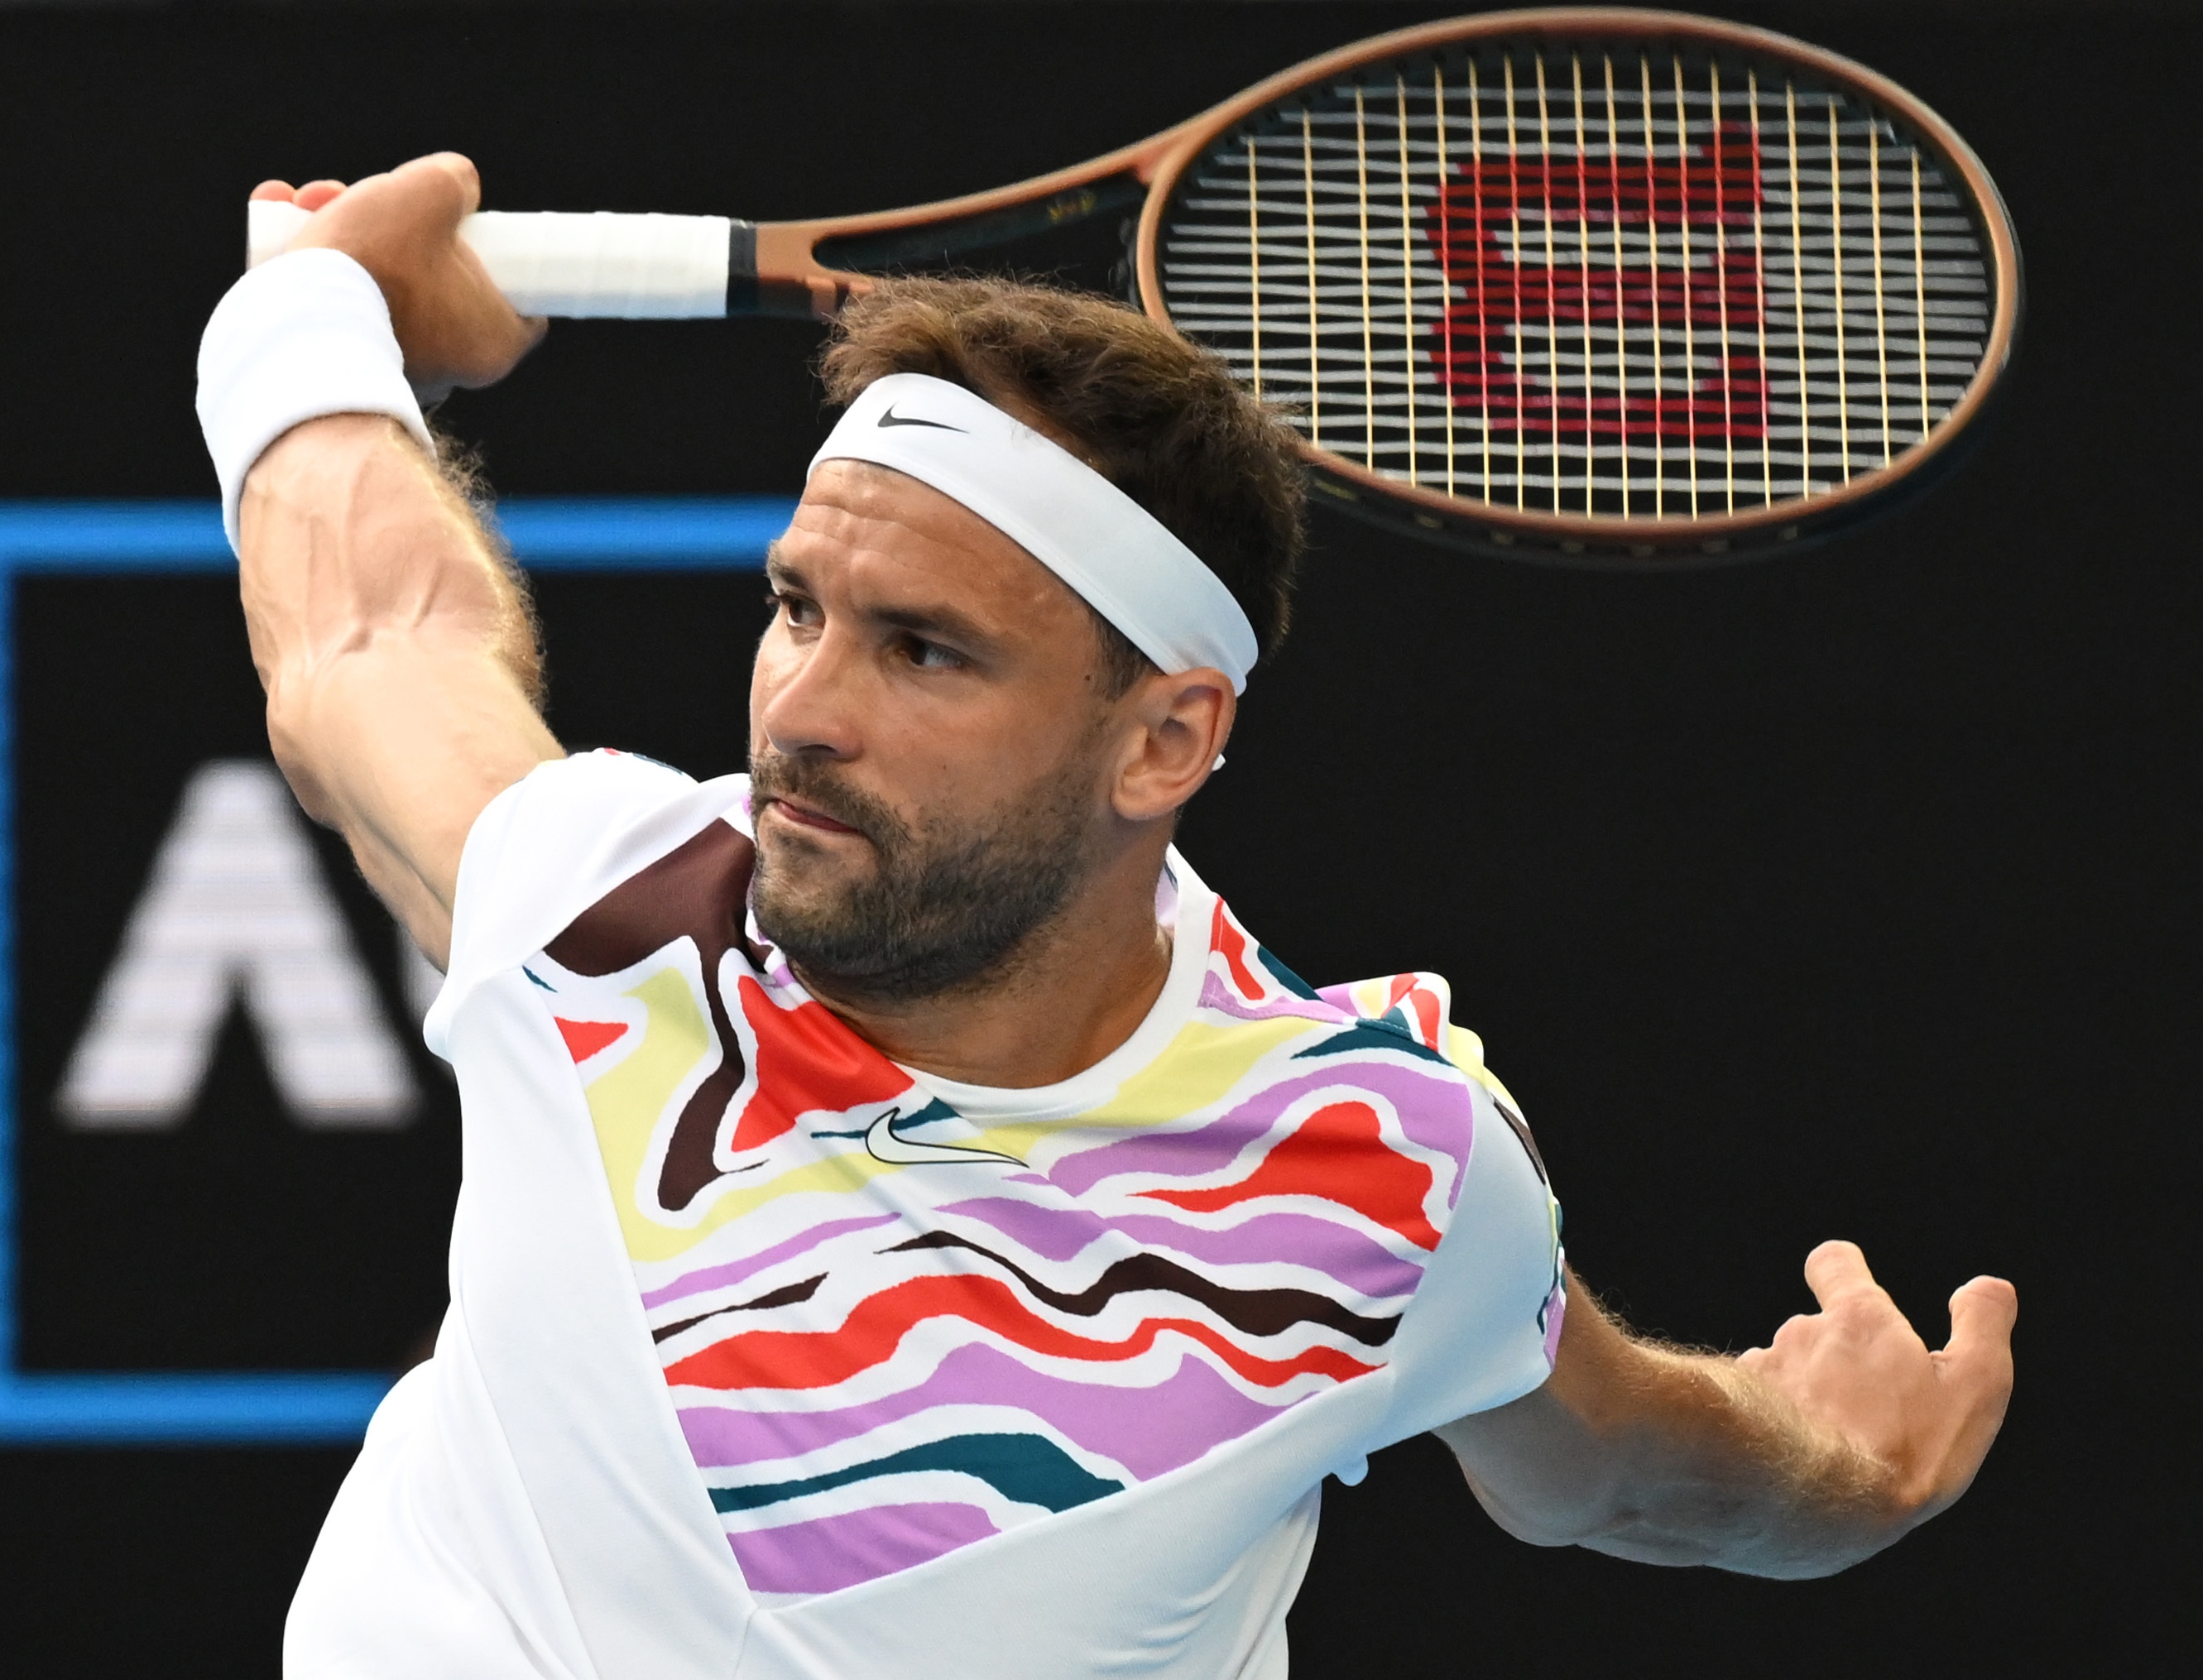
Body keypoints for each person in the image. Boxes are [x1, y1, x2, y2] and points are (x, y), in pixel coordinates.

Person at [195, 154, 2017, 1680]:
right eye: (797, 607)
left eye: (923, 649)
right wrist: (307, 316)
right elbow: (368, 637)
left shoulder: (1369, 1175)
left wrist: (1853, 1469)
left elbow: (1606, 1466)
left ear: (1164, 736)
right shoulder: (612, 926)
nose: (801, 711)